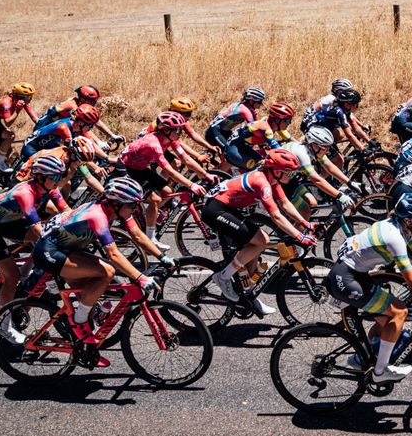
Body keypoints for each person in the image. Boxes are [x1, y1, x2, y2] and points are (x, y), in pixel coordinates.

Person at [328, 193, 412, 382]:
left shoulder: (401, 227)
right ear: (410, 221)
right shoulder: (395, 238)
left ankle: (361, 357)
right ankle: (380, 372)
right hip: (346, 278)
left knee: (387, 320)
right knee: (399, 312)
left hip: (353, 273)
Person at [30, 177, 170, 358]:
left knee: (88, 295)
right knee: (107, 271)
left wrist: (163, 257)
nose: (136, 210)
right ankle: (78, 321)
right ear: (116, 204)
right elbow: (113, 254)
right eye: (133, 205)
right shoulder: (98, 215)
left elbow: (137, 234)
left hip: (66, 249)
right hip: (49, 252)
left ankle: (82, 344)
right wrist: (140, 278)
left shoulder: (113, 209)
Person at [201, 148, 317, 316]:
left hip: (228, 208)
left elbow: (285, 204)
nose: (292, 177)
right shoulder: (261, 182)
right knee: (261, 240)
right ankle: (223, 277)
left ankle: (247, 294)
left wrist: (304, 222)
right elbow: (276, 215)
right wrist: (299, 236)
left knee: (255, 247)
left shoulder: (272, 178)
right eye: (289, 173)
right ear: (277, 171)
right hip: (216, 210)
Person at [0, 155, 70, 342]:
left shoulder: (50, 188)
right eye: (55, 177)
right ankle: (4, 327)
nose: (58, 181)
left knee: (48, 236)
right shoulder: (25, 192)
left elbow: (66, 213)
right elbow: (36, 227)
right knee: (12, 277)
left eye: (61, 176)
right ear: (40, 177)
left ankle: (26, 274)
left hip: (8, 222)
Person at [118, 111, 209, 250]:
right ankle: (150, 238)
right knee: (155, 200)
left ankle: (147, 215)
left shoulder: (170, 140)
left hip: (140, 167)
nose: (181, 133)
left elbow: (186, 159)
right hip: (127, 167)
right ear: (166, 130)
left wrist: (205, 174)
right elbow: (170, 172)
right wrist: (192, 185)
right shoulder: (153, 144)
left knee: (167, 192)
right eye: (178, 129)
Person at [0, 83, 38, 171]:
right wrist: (17, 110)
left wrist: (46, 127)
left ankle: (3, 171)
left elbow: (34, 118)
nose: (30, 100)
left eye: (30, 97)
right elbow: (8, 123)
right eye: (28, 97)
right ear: (20, 97)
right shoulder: (6, 103)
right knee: (10, 136)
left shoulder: (23, 103)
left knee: (8, 150)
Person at [35, 85, 122, 146]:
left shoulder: (78, 104)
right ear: (83, 99)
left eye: (95, 101)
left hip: (56, 128)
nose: (94, 103)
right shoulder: (72, 107)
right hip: (44, 133)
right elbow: (84, 128)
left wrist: (112, 135)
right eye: (92, 101)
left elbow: (95, 121)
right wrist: (98, 142)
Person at [223, 102, 295, 171]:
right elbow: (277, 149)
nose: (289, 123)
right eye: (287, 121)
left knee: (264, 159)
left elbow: (290, 139)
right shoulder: (266, 128)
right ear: (277, 120)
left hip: (241, 147)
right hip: (233, 150)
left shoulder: (273, 124)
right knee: (262, 168)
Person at [20, 103, 103, 162]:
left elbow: (91, 144)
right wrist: (94, 166)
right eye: (90, 125)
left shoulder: (77, 128)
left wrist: (107, 158)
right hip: (32, 148)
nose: (90, 128)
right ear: (81, 123)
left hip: (44, 149)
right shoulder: (64, 128)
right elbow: (77, 152)